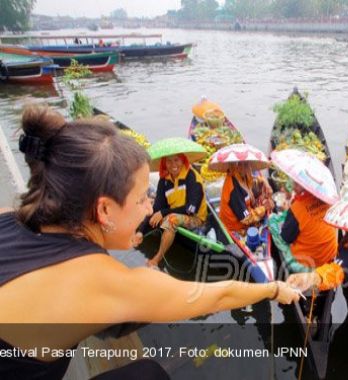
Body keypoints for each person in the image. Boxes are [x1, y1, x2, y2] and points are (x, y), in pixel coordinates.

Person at [0, 106, 300, 379]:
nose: (148, 208)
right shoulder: (101, 280)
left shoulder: (7, 218)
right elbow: (219, 296)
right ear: (104, 210)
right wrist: (275, 289)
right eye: (142, 198)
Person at [268, 148, 339, 272]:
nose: (294, 185)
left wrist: (285, 214)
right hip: (330, 255)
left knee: (272, 223)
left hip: (308, 262)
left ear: (306, 186)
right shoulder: (327, 199)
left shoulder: (297, 210)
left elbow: (286, 238)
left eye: (297, 183)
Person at [146, 153, 207, 268]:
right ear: (165, 163)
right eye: (169, 161)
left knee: (171, 219)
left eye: (176, 160)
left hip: (196, 219)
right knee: (153, 215)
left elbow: (191, 209)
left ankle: (156, 259)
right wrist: (140, 232)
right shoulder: (164, 180)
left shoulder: (192, 177)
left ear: (183, 161)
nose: (173, 164)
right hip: (176, 214)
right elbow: (157, 208)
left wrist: (164, 213)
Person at [210, 144, 274, 234]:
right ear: (236, 166)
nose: (248, 167)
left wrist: (266, 184)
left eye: (247, 163)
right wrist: (264, 208)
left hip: (247, 209)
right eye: (242, 164)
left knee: (262, 192)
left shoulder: (242, 174)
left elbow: (255, 181)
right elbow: (246, 219)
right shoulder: (233, 189)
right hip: (236, 228)